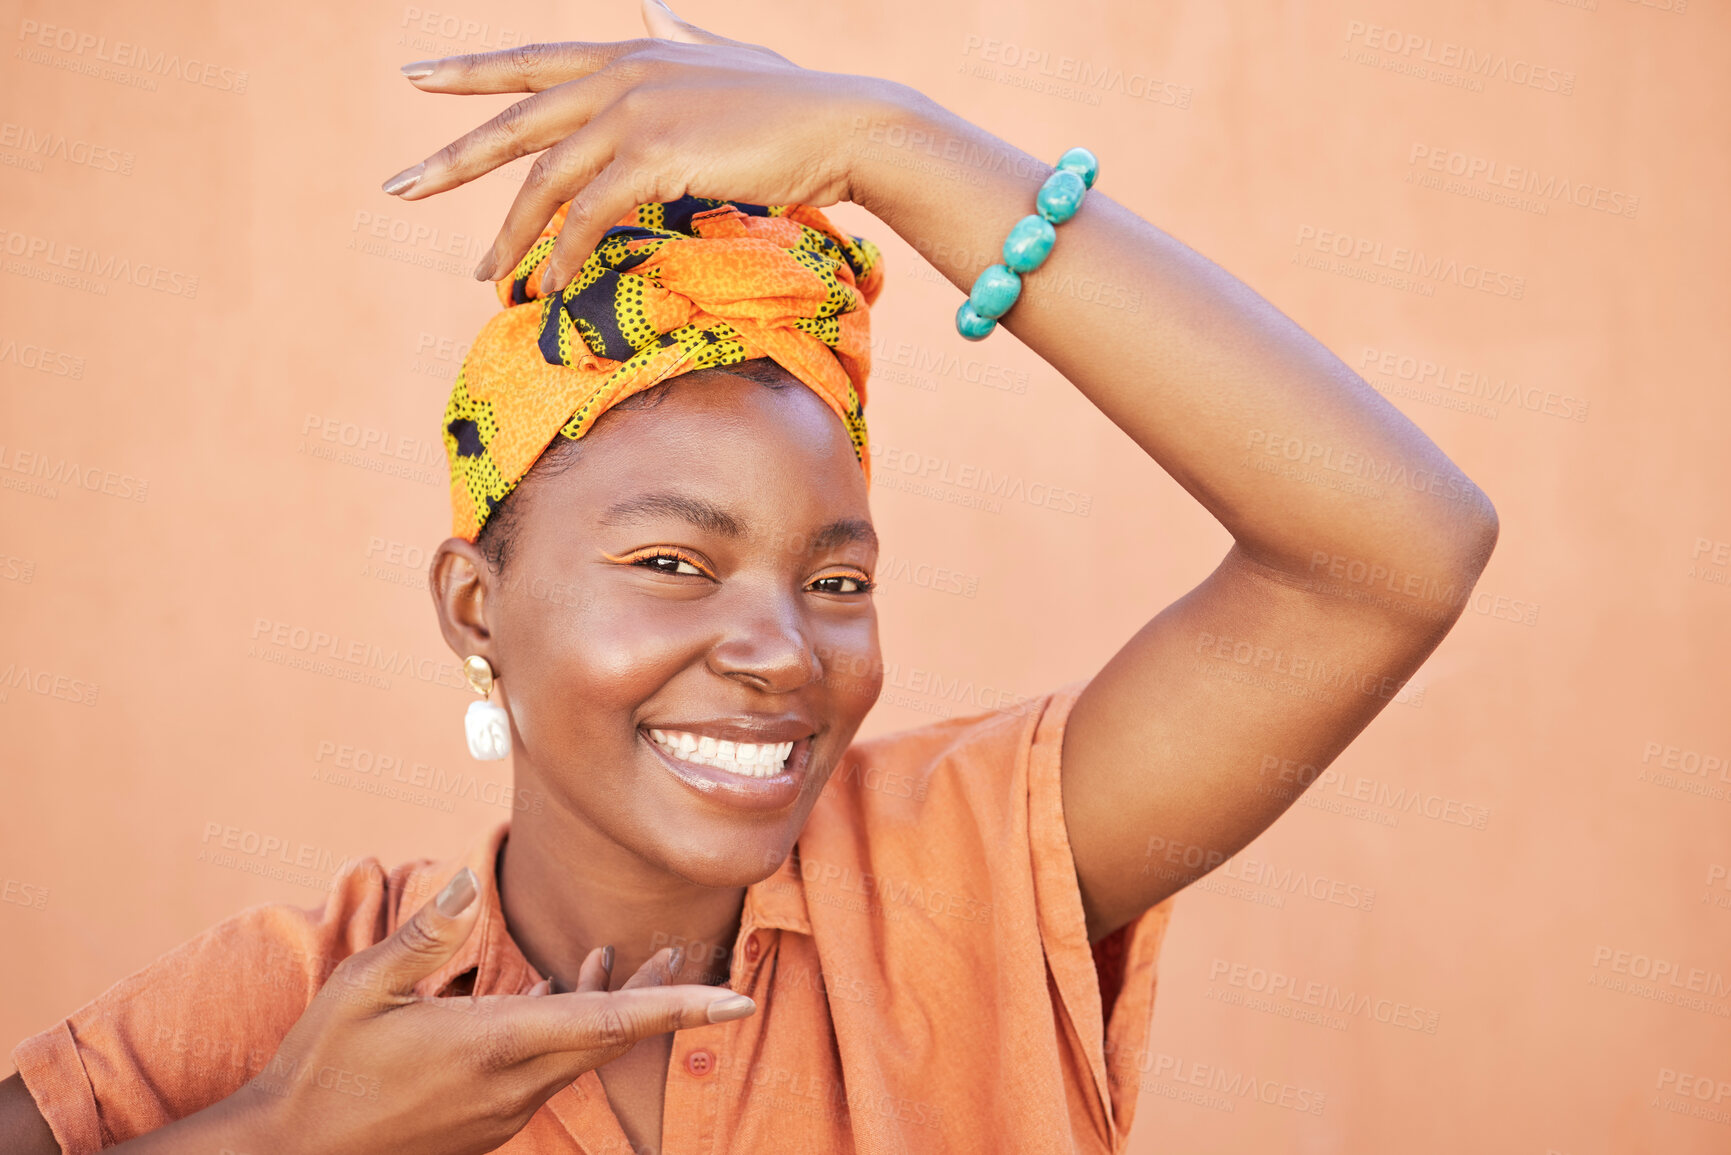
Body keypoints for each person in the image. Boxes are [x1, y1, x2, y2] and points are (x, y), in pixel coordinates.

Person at [0, 2, 1499, 1152]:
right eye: (672, 561)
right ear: (475, 608)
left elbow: (1392, 554)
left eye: (836, 581)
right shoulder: (295, 1010)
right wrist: (274, 1135)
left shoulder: (966, 876)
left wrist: (890, 143)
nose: (780, 647)